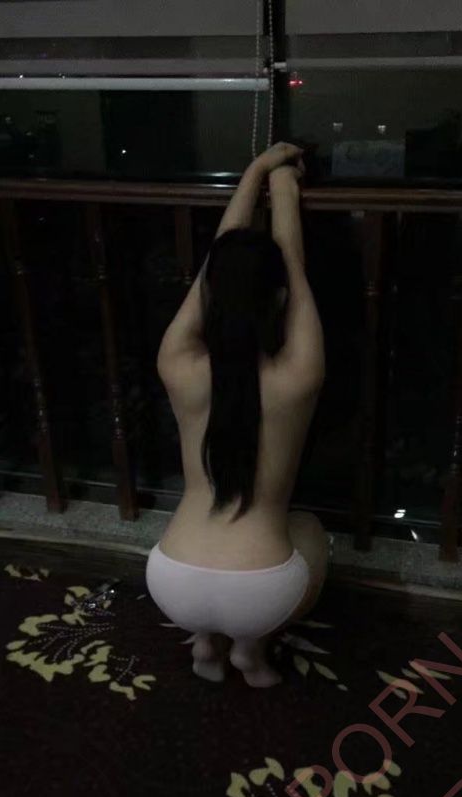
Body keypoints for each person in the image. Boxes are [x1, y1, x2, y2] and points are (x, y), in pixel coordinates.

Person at [146, 142, 328, 688]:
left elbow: (213, 271)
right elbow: (294, 271)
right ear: (278, 299)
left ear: (211, 294)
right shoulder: (298, 376)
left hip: (171, 579)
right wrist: (285, 191)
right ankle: (250, 650)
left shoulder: (177, 364)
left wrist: (254, 172)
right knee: (309, 529)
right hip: (261, 593)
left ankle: (204, 643)